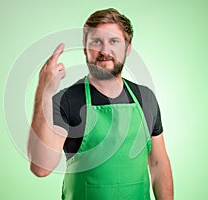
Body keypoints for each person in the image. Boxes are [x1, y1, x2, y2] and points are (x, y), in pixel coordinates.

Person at [28, 8, 173, 200]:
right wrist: (44, 91)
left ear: (127, 48)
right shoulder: (67, 100)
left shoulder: (145, 98)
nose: (105, 51)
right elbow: (41, 168)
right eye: (96, 42)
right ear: (85, 48)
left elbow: (158, 163)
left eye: (114, 41)